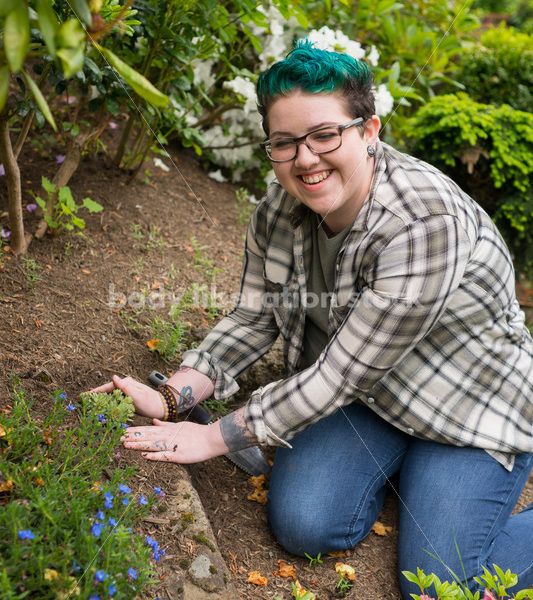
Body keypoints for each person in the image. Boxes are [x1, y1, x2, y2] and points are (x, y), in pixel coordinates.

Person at [91, 40, 533, 598]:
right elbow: (254, 320)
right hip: (370, 402)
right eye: (285, 142)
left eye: (325, 135)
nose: (305, 158)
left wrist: (214, 437)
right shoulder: (278, 211)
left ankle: (442, 474)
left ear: (369, 131)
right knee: (305, 525)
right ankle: (409, 472)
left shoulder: (424, 222)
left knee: (440, 586)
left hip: (465, 406)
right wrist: (175, 396)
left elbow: (340, 374)